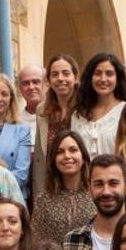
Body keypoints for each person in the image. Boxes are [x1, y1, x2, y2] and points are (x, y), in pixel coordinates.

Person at [31, 132, 97, 247]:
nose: (67, 156)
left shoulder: (96, 195)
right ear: (54, 159)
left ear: (83, 156)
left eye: (73, 150)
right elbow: (36, 241)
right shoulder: (44, 200)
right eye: (60, 152)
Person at [31, 54, 79, 195]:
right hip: (52, 186)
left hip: (81, 184)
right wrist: (39, 194)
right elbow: (40, 155)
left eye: (66, 73)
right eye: (55, 74)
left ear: (75, 78)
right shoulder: (42, 110)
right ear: (48, 81)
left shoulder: (86, 108)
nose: (60, 79)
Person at [70, 53, 126, 158]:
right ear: (90, 77)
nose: (103, 79)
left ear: (117, 78)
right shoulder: (78, 115)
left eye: (109, 74)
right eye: (97, 73)